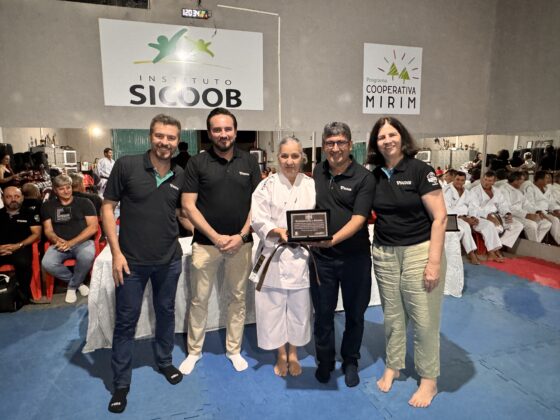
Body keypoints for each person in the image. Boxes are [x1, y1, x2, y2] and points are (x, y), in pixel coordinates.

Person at [101, 114, 189, 413]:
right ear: (151, 136)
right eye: (160, 136)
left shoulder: (180, 174)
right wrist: (116, 253)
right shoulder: (126, 165)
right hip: (131, 263)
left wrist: (214, 232)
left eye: (171, 137)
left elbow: (181, 212)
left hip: (169, 260)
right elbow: (108, 207)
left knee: (166, 313)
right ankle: (121, 383)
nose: (165, 142)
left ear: (177, 141)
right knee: (126, 321)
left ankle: (164, 361)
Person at [368, 117, 446, 408]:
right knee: (392, 316)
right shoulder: (374, 175)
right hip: (385, 252)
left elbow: (440, 217)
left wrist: (433, 262)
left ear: (402, 137)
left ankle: (429, 379)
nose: (387, 140)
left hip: (419, 250)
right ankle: (394, 365)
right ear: (375, 143)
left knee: (424, 319)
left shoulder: (419, 170)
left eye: (392, 134)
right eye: (381, 137)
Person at [180, 108, 261, 375]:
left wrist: (241, 236)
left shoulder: (249, 162)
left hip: (241, 244)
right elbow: (188, 205)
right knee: (199, 299)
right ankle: (194, 351)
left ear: (235, 131)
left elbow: (257, 203)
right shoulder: (197, 163)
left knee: (237, 298)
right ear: (209, 133)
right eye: (217, 129)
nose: (223, 134)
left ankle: (233, 349)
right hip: (205, 244)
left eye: (228, 129)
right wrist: (215, 237)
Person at [310, 122, 375, 388]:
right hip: (321, 260)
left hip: (355, 258)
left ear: (350, 145)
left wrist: (332, 240)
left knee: (355, 314)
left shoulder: (364, 177)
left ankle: (350, 361)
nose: (335, 148)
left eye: (340, 142)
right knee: (323, 314)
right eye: (330, 143)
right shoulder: (317, 171)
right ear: (323, 146)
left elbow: (359, 219)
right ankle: (325, 362)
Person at [250, 136, 315, 377]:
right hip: (273, 254)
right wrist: (276, 230)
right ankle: (281, 353)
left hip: (300, 256)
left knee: (299, 307)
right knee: (273, 307)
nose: (289, 161)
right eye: (284, 156)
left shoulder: (310, 184)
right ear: (277, 157)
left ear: (302, 158)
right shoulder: (266, 186)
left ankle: (294, 353)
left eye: (295, 156)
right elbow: (258, 218)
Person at [41, 174, 98, 303]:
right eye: (61, 189)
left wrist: (71, 243)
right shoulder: (47, 206)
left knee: (86, 257)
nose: (66, 191)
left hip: (83, 242)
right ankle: (79, 284)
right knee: (47, 263)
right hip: (59, 244)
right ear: (55, 190)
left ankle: (72, 287)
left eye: (68, 187)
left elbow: (93, 227)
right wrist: (56, 240)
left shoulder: (85, 202)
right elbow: (48, 230)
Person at [0, 186, 42, 305]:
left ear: (22, 198)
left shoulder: (30, 213)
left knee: (23, 262)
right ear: (3, 198)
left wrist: (18, 245)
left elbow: (36, 234)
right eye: (9, 197)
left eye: (17, 196)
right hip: (1, 249)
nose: (13, 199)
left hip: (21, 248)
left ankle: (23, 296)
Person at [468, 171, 524, 254]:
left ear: (494, 182)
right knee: (494, 227)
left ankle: (500, 245)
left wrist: (507, 213)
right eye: (485, 179)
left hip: (495, 215)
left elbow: (502, 205)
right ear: (482, 179)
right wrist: (487, 216)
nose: (486, 182)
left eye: (490, 180)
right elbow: (473, 208)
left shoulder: (497, 191)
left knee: (518, 225)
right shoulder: (474, 191)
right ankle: (494, 249)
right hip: (479, 216)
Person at [500, 172, 551, 243]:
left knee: (546, 223)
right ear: (516, 180)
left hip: (521, 214)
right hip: (511, 215)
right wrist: (526, 215)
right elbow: (508, 208)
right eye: (522, 180)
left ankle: (536, 243)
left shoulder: (518, 190)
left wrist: (537, 212)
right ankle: (535, 245)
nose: (523, 182)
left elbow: (527, 205)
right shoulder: (504, 189)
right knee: (532, 225)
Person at [443, 172, 480, 264]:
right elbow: (446, 208)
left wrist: (472, 216)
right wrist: (461, 217)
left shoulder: (467, 192)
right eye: (457, 179)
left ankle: (471, 254)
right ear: (453, 179)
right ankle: (471, 254)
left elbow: (473, 206)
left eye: (462, 180)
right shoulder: (446, 190)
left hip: (463, 217)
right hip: (449, 217)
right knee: (464, 228)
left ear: (465, 181)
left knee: (465, 227)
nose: (459, 182)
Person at [524, 171, 560, 244]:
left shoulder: (547, 188)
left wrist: (556, 210)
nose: (548, 180)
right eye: (546, 178)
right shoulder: (530, 188)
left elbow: (551, 202)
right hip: (535, 212)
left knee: (554, 220)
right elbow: (529, 204)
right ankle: (537, 243)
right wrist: (539, 212)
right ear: (540, 179)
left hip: (546, 212)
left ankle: (558, 242)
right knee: (549, 222)